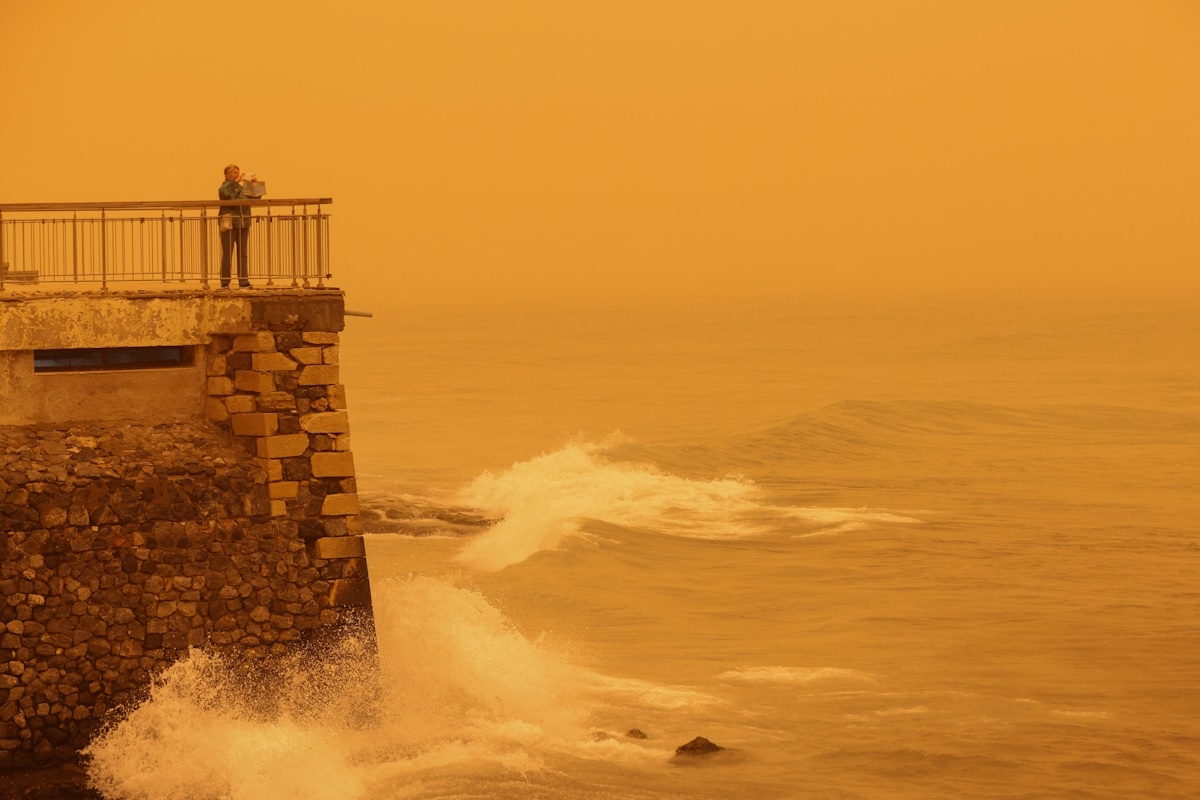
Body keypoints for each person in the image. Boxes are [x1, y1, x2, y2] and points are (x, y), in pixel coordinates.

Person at [218, 164, 251, 288]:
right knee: (227, 254)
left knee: (243, 253)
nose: (238, 175)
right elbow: (224, 193)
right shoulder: (224, 187)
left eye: (238, 172)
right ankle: (225, 281)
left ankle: (243, 280)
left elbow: (256, 196)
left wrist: (254, 184)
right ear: (228, 175)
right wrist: (234, 182)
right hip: (229, 224)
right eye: (235, 173)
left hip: (243, 224)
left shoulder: (243, 189)